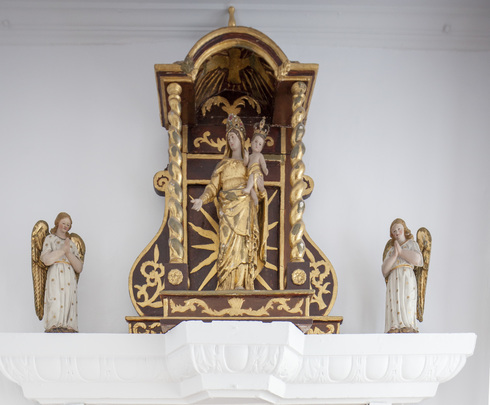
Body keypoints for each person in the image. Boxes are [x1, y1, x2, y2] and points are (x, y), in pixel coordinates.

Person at [191, 114, 268, 290]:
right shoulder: (222, 165)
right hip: (227, 209)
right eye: (229, 138)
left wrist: (261, 190)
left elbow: (257, 187)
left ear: (241, 139)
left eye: (233, 137)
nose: (231, 140)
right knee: (226, 246)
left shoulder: (247, 164)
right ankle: (226, 283)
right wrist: (202, 200)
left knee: (243, 245)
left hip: (244, 207)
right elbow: (212, 187)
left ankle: (241, 283)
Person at [40, 212, 83, 333]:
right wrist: (62, 250)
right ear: (57, 223)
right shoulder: (50, 239)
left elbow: (79, 267)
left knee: (69, 300)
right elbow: (46, 260)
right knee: (56, 299)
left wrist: (68, 252)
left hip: (69, 276)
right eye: (63, 223)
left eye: (68, 225)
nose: (65, 226)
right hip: (55, 274)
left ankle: (68, 325)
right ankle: (54, 324)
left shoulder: (72, 244)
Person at [382, 218, 423, 333]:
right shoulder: (391, 251)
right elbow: (384, 270)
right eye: (394, 231)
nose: (397, 232)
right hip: (394, 278)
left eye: (399, 229)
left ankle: (408, 324)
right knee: (395, 300)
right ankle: (395, 324)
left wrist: (401, 252)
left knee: (407, 299)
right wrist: (395, 255)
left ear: (404, 230)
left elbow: (417, 260)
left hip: (407, 276)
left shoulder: (411, 244)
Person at [243, 117, 269, 206]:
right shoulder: (250, 156)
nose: (257, 145)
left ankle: (248, 189)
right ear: (251, 142)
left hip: (256, 173)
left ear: (262, 147)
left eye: (260, 144)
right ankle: (255, 200)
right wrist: (246, 157)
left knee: (250, 179)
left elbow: (263, 164)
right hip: (249, 172)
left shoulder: (259, 155)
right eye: (255, 142)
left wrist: (265, 169)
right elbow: (245, 163)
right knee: (251, 190)